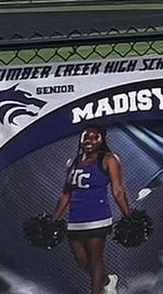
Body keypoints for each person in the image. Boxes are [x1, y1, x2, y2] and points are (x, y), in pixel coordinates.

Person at [49, 124, 131, 294]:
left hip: (98, 216)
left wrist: (129, 216)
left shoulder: (109, 159)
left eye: (95, 137)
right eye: (86, 136)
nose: (90, 140)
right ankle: (108, 280)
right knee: (81, 260)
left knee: (95, 259)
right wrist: (53, 219)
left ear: (102, 140)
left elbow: (118, 190)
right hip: (75, 219)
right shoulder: (72, 162)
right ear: (80, 139)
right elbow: (66, 194)